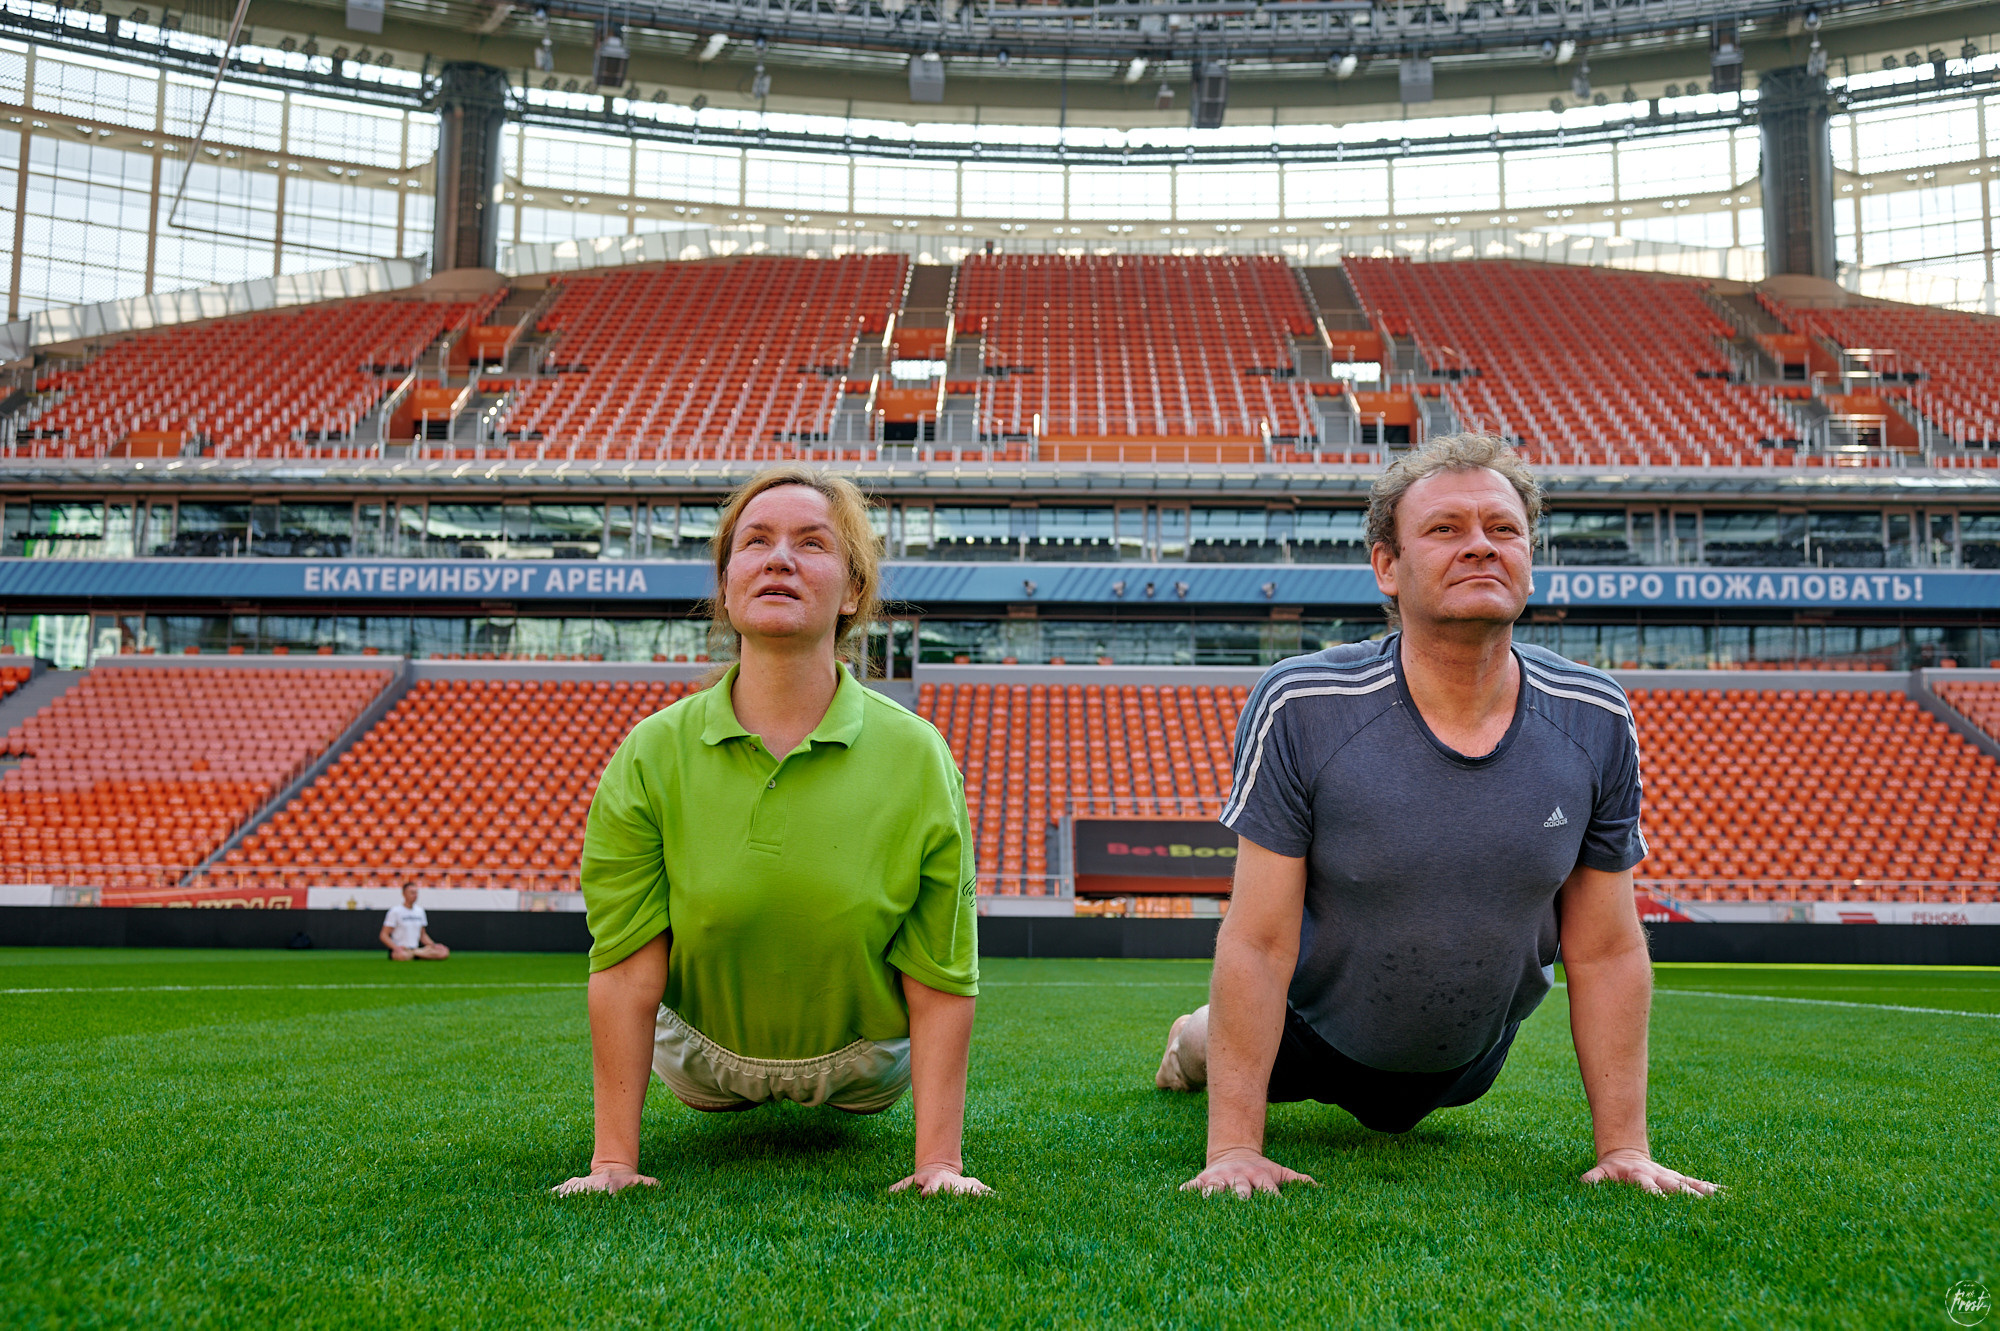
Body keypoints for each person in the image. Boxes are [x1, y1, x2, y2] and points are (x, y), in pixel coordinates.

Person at [1158, 433, 1717, 1201]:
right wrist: (1232, 1148)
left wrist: (1625, 1147)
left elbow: (1608, 948)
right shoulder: (1303, 703)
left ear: (1530, 555)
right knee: (1201, 1042)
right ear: (1388, 566)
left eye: (1504, 528)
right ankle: (1185, 1039)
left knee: (1420, 1105)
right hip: (1308, 1030)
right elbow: (1257, 939)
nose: (1481, 546)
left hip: (1467, 1062)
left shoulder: (1596, 714)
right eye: (1446, 528)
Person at [555, 466, 986, 1199]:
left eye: (811, 543)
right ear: (727, 584)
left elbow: (940, 975)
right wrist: (612, 1163)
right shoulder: (650, 752)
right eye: (755, 541)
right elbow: (626, 968)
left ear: (852, 591)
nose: (779, 557)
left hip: (865, 1062)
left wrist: (939, 1164)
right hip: (697, 1056)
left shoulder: (918, 755)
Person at [379, 884, 450, 961]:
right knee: (402, 955)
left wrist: (433, 945)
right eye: (412, 893)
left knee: (443, 953)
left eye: (416, 893)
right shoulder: (395, 911)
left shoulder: (420, 911)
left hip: (416, 949)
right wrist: (395, 948)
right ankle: (417, 954)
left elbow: (422, 935)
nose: (415, 895)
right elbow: (384, 935)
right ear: (404, 894)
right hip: (402, 949)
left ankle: (415, 954)